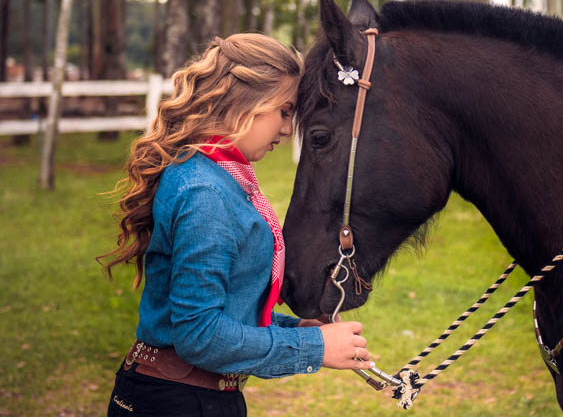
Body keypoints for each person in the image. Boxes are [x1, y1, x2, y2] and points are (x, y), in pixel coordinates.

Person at [99, 33, 371, 417]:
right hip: (176, 403)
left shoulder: (217, 177)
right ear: (249, 103)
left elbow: (224, 313)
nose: (285, 129)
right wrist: (316, 349)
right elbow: (200, 335)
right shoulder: (205, 190)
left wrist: (300, 332)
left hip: (195, 397)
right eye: (284, 110)